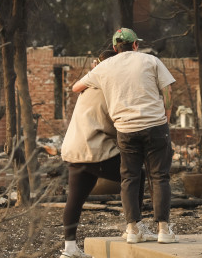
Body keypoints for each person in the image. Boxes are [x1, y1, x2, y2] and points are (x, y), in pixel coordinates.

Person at [73, 28, 177, 244]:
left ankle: (132, 229)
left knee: (130, 177)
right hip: (155, 126)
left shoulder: (105, 67)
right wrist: (166, 120)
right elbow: (167, 92)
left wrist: (95, 74)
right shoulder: (151, 60)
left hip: (126, 129)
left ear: (114, 48)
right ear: (135, 45)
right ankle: (164, 230)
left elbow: (76, 87)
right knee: (159, 177)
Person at [58, 49, 156, 258]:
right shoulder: (109, 87)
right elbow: (120, 121)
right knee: (134, 176)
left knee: (75, 198)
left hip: (75, 149)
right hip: (95, 148)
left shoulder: (89, 85)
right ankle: (135, 227)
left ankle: (70, 248)